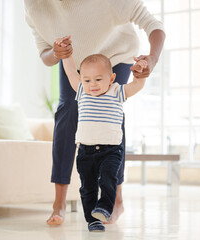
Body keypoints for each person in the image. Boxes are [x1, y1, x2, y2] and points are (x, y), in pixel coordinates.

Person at [24, 0, 165, 225]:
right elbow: (45, 54)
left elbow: (154, 25)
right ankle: (58, 203)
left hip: (116, 55)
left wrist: (152, 59)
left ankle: (116, 200)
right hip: (73, 60)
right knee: (68, 110)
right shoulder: (33, 6)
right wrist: (57, 52)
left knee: (111, 109)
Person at [57, 37, 148, 231]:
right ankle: (93, 220)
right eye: (88, 80)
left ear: (111, 78)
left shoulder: (116, 91)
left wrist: (140, 74)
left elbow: (137, 86)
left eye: (98, 79)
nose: (93, 84)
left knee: (108, 180)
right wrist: (66, 54)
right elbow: (71, 72)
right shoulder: (81, 90)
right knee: (87, 187)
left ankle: (105, 208)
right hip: (86, 151)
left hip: (111, 150)